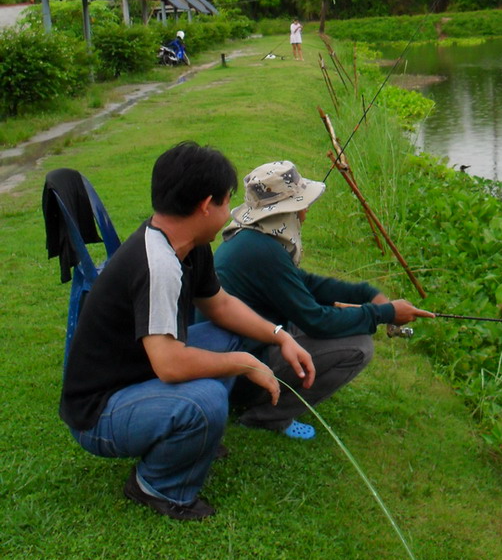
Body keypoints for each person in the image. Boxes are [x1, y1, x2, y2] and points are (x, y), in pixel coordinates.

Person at [59, 142, 315, 520]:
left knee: (227, 336)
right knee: (206, 399)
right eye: (228, 203)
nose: (231, 212)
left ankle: (195, 441)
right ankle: (158, 487)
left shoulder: (186, 244)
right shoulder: (158, 264)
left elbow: (221, 305)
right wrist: (244, 364)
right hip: (99, 415)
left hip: (135, 374)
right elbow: (169, 365)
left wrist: (280, 335)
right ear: (206, 205)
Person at [214, 161, 435, 438]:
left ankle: (269, 401)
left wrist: (366, 295)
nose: (305, 214)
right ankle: (267, 416)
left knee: (333, 322)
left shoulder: (252, 239)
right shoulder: (263, 252)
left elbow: (305, 283)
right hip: (242, 372)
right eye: (300, 206)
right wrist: (385, 313)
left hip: (242, 351)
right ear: (283, 213)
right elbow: (317, 321)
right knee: (359, 347)